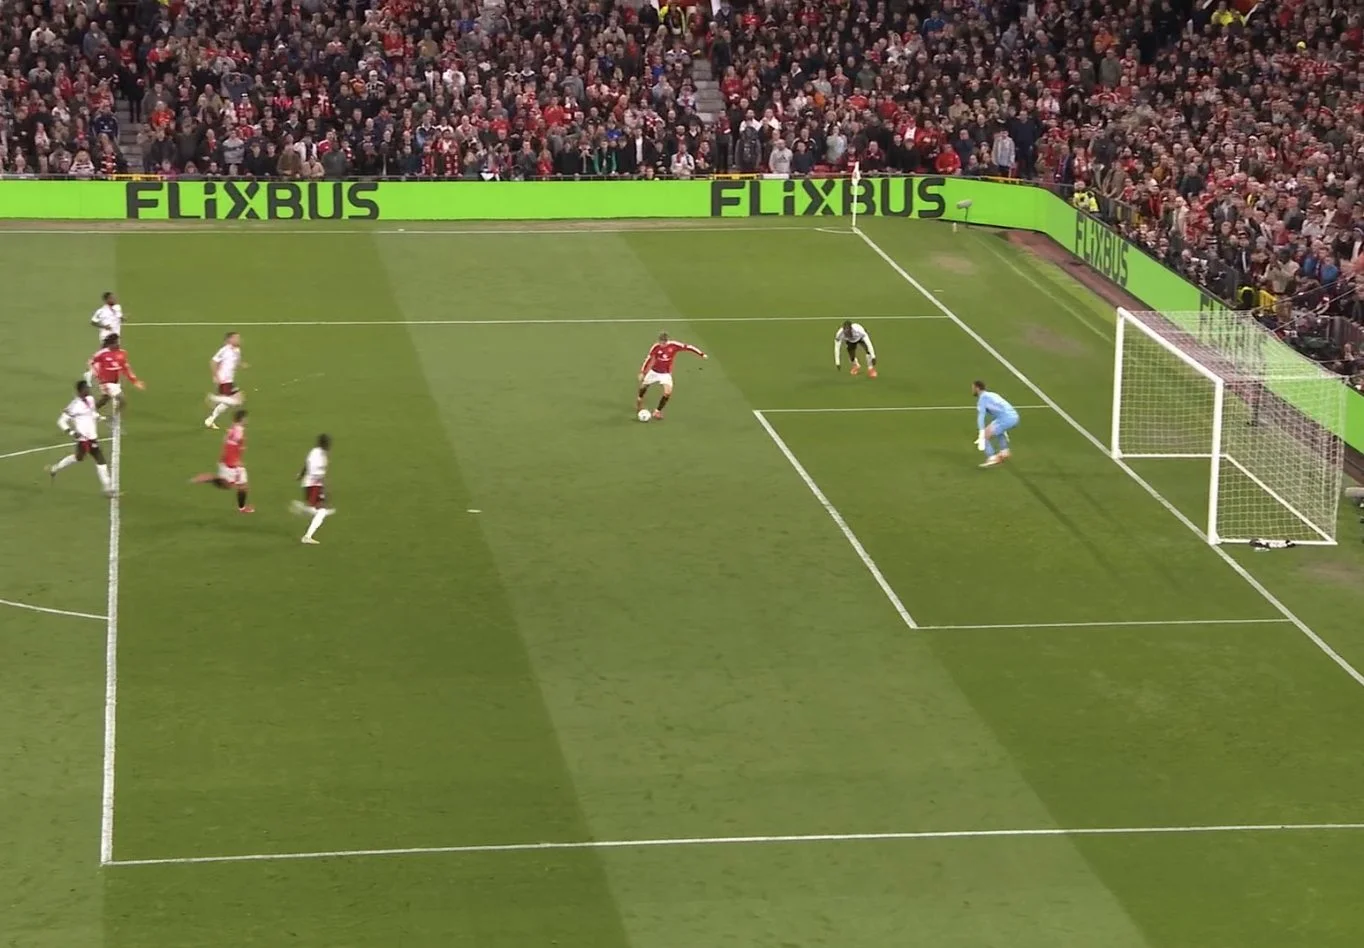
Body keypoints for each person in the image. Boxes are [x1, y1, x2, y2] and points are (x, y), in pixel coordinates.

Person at [46, 380, 114, 497]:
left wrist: (102, 418)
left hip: (92, 437)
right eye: (86, 388)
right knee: (99, 459)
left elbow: (92, 413)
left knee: (79, 457)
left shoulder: (90, 399)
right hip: (84, 439)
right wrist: (72, 432)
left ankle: (55, 468)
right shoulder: (74, 406)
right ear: (80, 391)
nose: (89, 389)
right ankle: (107, 488)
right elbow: (61, 421)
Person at [190, 410, 254, 512]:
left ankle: (242, 508)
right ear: (242, 419)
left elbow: (227, 443)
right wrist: (235, 461)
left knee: (234, 485)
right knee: (237, 486)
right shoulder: (238, 432)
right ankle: (209, 479)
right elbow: (231, 446)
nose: (247, 420)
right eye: (245, 418)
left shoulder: (234, 428)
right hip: (232, 464)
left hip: (228, 462)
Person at [636, 332, 706, 419]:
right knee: (643, 387)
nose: (662, 344)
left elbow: (689, 347)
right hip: (654, 372)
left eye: (664, 343)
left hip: (665, 374)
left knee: (667, 392)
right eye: (661, 342)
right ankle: (639, 401)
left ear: (667, 341)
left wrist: (701, 354)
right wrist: (642, 372)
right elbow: (648, 359)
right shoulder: (656, 347)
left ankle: (657, 411)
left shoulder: (674, 345)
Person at [290, 434, 335, 544]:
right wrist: (326, 489)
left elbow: (306, 465)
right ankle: (307, 535)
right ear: (325, 444)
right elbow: (319, 475)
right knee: (321, 511)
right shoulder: (320, 457)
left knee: (319, 509)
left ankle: (305, 509)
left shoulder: (314, 452)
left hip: (310, 484)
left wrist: (301, 475)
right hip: (313, 485)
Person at [87, 334, 145, 416]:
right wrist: (98, 375)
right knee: (122, 400)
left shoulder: (122, 353)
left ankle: (89, 412)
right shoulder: (102, 353)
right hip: (106, 382)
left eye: (118, 342)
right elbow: (91, 362)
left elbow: (126, 368)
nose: (118, 344)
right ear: (110, 344)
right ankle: (114, 418)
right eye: (116, 342)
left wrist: (135, 381)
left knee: (105, 399)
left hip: (115, 381)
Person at [204, 331, 247, 429]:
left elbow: (236, 361)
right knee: (238, 401)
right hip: (223, 379)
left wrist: (242, 364)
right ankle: (214, 399)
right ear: (230, 340)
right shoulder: (224, 350)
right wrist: (215, 376)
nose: (238, 340)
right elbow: (213, 362)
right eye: (236, 338)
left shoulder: (237, 350)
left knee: (229, 402)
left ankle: (210, 419)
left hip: (230, 380)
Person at [973, 381, 1019, 468]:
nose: (972, 390)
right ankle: (1004, 451)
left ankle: (992, 458)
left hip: (1005, 418)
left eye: (973, 388)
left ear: (977, 388)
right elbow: (1000, 408)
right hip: (1013, 416)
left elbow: (981, 417)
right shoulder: (992, 394)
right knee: (998, 431)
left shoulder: (982, 399)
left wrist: (981, 432)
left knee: (985, 435)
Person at [86, 291, 123, 385]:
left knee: (114, 359)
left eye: (114, 297)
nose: (114, 299)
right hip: (106, 338)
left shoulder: (118, 308)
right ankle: (90, 374)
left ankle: (113, 380)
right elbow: (93, 322)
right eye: (112, 298)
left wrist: (123, 318)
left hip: (116, 337)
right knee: (104, 358)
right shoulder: (101, 311)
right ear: (106, 300)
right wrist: (104, 326)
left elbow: (119, 318)